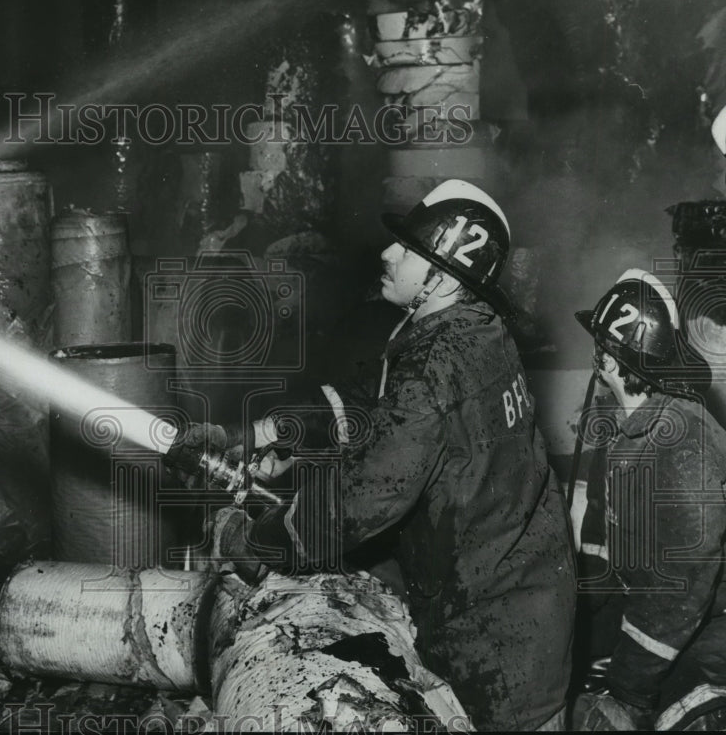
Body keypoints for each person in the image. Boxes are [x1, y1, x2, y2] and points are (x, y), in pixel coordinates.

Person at [167, 180, 576, 731]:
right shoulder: (475, 331)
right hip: (521, 606)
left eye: (409, 249)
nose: (387, 253)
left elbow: (364, 498)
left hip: (498, 645)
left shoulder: (438, 361)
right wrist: (277, 430)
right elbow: (385, 416)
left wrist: (264, 540)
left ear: (443, 275)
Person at [573, 270, 726, 730]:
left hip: (710, 634)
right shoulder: (623, 422)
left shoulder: (682, 442)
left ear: (612, 360)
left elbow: (681, 585)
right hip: (667, 624)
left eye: (599, 346)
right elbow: (602, 532)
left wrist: (629, 689)